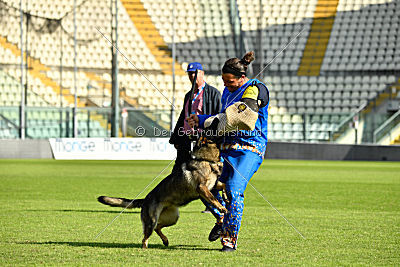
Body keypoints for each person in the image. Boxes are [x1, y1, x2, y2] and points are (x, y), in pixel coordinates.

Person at [187, 51, 269, 252]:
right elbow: (223, 116)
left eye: (229, 81)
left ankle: (229, 239)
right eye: (223, 81)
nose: (225, 85)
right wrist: (202, 119)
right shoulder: (226, 91)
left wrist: (208, 122)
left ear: (242, 77)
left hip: (249, 149)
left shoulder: (256, 88)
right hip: (224, 148)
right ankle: (222, 217)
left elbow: (244, 117)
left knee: (233, 188)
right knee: (202, 185)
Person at [169, 62, 221, 173]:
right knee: (179, 170)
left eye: (195, 73)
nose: (192, 76)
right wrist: (177, 137)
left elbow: (218, 116)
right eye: (190, 74)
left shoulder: (213, 93)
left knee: (202, 172)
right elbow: (183, 116)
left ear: (202, 74)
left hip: (203, 139)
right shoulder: (188, 95)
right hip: (186, 137)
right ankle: (175, 190)